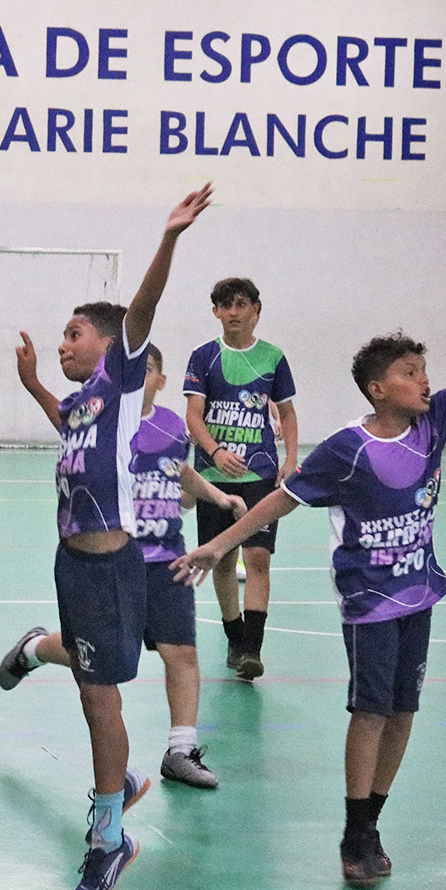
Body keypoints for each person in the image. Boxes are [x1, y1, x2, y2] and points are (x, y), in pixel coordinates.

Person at [171, 266, 446, 887]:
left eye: (424, 371)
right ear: (378, 389)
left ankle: (373, 820)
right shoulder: (346, 448)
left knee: (403, 711)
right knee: (371, 711)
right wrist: (217, 545)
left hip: (418, 594)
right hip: (369, 599)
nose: (424, 380)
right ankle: (355, 831)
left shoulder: (433, 423)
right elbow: (279, 501)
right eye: (409, 372)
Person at [7, 184, 211, 890]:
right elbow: (67, 425)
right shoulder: (84, 403)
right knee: (96, 697)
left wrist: (170, 237)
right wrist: (34, 383)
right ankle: (114, 791)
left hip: (112, 566)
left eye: (72, 334)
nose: (63, 343)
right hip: (73, 563)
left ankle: (109, 833)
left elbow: (142, 310)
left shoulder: (122, 381)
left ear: (106, 341)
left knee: (102, 702)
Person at [0, 342, 246, 788]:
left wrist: (218, 496)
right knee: (90, 654)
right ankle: (33, 650)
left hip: (168, 558)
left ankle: (180, 750)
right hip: (115, 561)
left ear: (161, 380)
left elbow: (181, 472)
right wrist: (33, 383)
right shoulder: (108, 420)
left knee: (182, 653)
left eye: (150, 369)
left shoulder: (173, 426)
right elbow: (66, 422)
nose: (141, 374)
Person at [182, 278, 298, 681]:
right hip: (214, 476)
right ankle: (234, 635)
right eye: (225, 305)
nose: (233, 312)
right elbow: (193, 416)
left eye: (241, 304)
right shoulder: (204, 357)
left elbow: (287, 412)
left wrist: (291, 459)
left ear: (256, 310)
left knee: (258, 557)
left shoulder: (273, 358)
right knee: (223, 559)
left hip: (260, 473)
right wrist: (215, 452)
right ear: (215, 312)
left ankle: (252, 648)